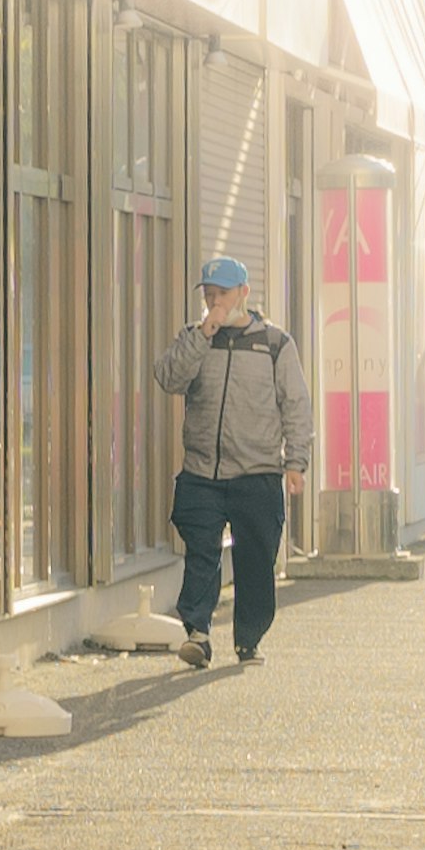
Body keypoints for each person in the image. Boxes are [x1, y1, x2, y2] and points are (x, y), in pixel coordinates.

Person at [150, 251, 313, 668]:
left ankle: (248, 637)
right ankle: (198, 634)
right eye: (208, 295)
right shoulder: (195, 337)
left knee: (256, 558)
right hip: (202, 470)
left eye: (222, 294)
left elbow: (295, 404)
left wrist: (296, 462)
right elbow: (169, 378)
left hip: (257, 472)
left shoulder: (274, 344)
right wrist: (203, 334)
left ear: (244, 293)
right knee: (201, 551)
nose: (214, 303)